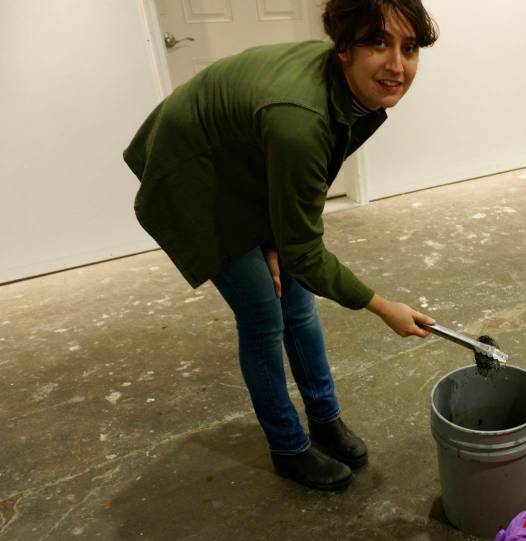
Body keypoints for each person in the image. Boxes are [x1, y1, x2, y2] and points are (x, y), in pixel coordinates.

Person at [124, 0, 439, 491]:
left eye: (409, 47)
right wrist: (383, 308)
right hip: (194, 172)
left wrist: (276, 239)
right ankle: (288, 447)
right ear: (343, 50)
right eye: (378, 43)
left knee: (298, 301)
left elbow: (302, 200)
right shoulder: (301, 117)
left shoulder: (346, 95)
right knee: (262, 315)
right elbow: (306, 251)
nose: (397, 65)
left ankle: (325, 419)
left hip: (245, 162)